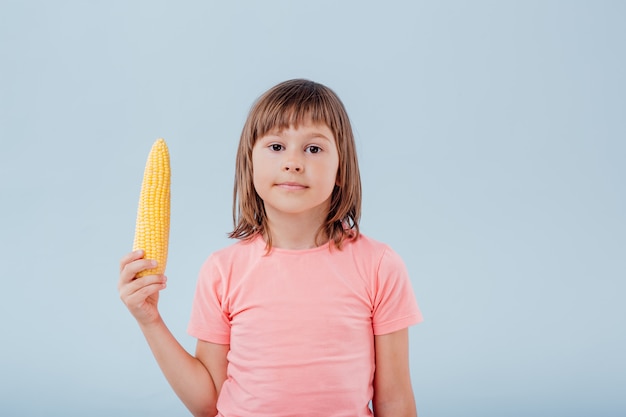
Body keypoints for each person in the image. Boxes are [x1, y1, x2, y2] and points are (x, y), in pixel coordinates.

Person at [118, 79, 423, 417]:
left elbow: (394, 401)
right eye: (276, 147)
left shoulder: (380, 267)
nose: (293, 162)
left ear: (341, 169)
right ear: (250, 165)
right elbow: (208, 403)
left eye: (313, 148)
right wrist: (150, 320)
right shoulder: (222, 271)